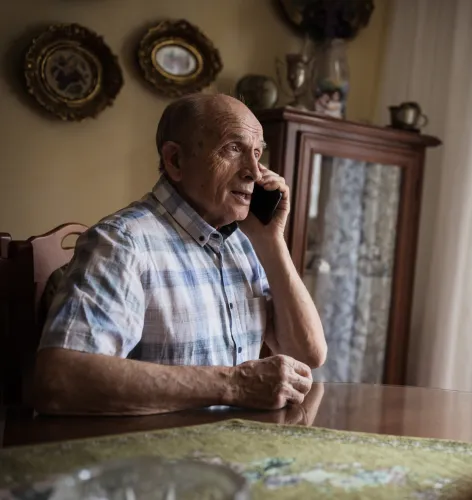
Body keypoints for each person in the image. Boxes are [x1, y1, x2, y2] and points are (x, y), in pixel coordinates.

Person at [33, 93, 327, 416]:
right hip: (150, 459)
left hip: (229, 454)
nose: (255, 174)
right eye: (233, 148)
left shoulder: (244, 243)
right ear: (175, 160)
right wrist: (234, 385)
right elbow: (59, 379)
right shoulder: (122, 243)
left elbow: (309, 353)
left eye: (258, 154)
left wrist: (273, 242)